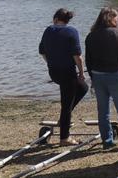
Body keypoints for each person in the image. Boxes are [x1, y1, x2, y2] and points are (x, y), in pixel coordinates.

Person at [85, 7, 118, 151]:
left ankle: (107, 141)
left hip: (97, 76)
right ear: (110, 18)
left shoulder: (91, 36)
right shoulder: (117, 33)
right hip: (115, 75)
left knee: (103, 111)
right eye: (116, 18)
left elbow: (88, 60)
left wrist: (92, 76)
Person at [39, 8, 89, 145]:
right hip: (67, 73)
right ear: (67, 20)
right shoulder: (71, 32)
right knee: (66, 105)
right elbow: (77, 56)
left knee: (83, 88)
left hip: (54, 72)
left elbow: (42, 52)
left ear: (55, 19)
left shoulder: (48, 30)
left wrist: (50, 63)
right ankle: (64, 138)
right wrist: (81, 72)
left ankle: (63, 119)